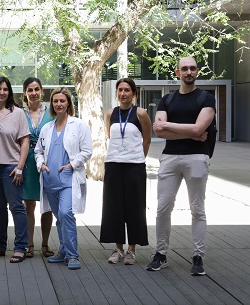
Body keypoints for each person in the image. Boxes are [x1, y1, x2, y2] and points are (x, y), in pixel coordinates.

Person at [147, 56, 216, 276]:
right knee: (162, 208)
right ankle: (160, 254)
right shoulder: (166, 100)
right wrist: (190, 132)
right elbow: (158, 132)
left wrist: (169, 125)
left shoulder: (206, 99)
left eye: (192, 68)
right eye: (184, 68)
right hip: (169, 158)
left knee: (197, 210)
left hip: (197, 158)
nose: (189, 72)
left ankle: (197, 257)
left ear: (197, 72)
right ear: (177, 73)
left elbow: (199, 130)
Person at [34, 87, 92, 270]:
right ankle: (63, 250)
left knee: (66, 214)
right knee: (59, 217)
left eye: (62, 101)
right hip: (50, 179)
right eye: (55, 101)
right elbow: (38, 151)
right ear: (52, 104)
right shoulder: (47, 127)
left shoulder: (79, 125)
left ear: (68, 103)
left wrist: (72, 164)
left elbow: (87, 151)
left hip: (68, 179)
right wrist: (41, 164)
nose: (59, 104)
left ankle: (73, 255)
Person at [99, 78, 151, 265]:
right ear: (116, 93)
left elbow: (147, 139)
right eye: (120, 90)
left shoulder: (141, 113)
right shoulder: (110, 113)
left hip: (134, 166)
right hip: (113, 165)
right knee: (114, 208)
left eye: (127, 90)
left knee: (134, 207)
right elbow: (110, 136)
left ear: (133, 93)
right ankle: (118, 249)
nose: (123, 93)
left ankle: (131, 250)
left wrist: (138, 158)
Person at [0, 76, 30, 263]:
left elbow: (25, 141)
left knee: (16, 206)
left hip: (11, 167)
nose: (2, 92)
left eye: (5, 89)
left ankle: (20, 247)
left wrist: (20, 166)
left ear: (9, 92)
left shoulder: (17, 113)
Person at [21, 77, 55, 258]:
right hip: (27, 161)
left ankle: (45, 243)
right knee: (29, 204)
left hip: (46, 161)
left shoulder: (51, 111)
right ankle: (29, 244)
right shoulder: (20, 113)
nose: (33, 93)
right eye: (30, 90)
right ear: (25, 93)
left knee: (47, 204)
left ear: (41, 91)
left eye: (36, 89)